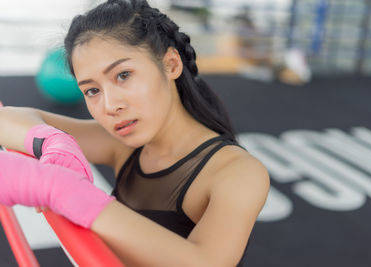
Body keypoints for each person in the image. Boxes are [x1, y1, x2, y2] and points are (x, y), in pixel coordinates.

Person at [0, 0, 269, 266]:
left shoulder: (238, 172)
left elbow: (205, 262)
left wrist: (63, 190)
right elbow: (5, 118)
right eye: (92, 90)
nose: (110, 105)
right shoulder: (122, 143)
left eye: (123, 75)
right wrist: (53, 143)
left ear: (172, 64)